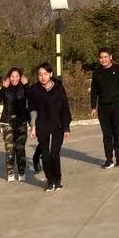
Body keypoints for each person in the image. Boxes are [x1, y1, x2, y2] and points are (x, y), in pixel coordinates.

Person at [28, 62, 72, 191]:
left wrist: (66, 127)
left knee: (54, 154)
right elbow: (32, 109)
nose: (43, 77)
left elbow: (65, 108)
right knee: (45, 155)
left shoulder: (58, 88)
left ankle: (57, 180)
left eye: (45, 74)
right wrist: (33, 127)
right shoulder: (34, 89)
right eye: (40, 74)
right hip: (42, 125)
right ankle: (50, 181)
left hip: (58, 125)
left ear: (51, 74)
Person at [89, 47, 119, 170]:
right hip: (103, 108)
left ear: (110, 57)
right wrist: (93, 107)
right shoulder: (97, 72)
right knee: (107, 135)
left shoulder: (118, 69)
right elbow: (94, 91)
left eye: (105, 57)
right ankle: (109, 160)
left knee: (117, 133)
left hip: (117, 106)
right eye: (101, 57)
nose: (103, 60)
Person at [0, 67, 31, 182]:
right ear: (9, 77)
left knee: (20, 148)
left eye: (17, 76)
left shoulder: (23, 88)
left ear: (21, 77)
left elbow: (32, 98)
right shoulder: (5, 89)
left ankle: (21, 172)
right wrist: (3, 88)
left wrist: (26, 85)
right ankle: (10, 173)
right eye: (12, 76)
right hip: (7, 122)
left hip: (21, 121)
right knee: (9, 149)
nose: (15, 79)